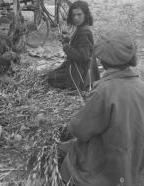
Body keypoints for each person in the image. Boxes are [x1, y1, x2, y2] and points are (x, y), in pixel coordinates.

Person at [59, 30, 144, 186]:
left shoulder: (104, 91)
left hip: (110, 162)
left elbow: (80, 129)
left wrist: (68, 128)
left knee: (65, 152)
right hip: (136, 159)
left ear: (102, 61)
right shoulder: (141, 85)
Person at [47, 0, 100, 90]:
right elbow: (80, 46)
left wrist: (67, 48)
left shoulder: (84, 32)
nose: (76, 18)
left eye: (79, 15)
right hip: (80, 68)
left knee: (50, 77)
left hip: (80, 72)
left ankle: (76, 84)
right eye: (73, 15)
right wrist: (68, 40)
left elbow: (83, 56)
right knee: (51, 74)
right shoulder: (82, 28)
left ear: (85, 15)